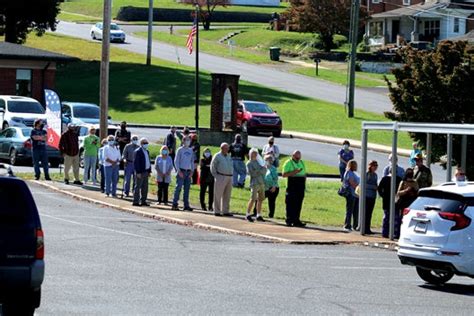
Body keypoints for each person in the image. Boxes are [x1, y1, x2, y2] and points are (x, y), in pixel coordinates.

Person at [282, 150, 307, 227]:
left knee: (298, 204)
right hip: (291, 186)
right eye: (296, 158)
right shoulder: (288, 163)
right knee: (290, 204)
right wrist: (294, 172)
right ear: (293, 156)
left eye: (299, 158)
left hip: (300, 186)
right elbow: (284, 174)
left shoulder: (301, 162)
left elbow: (304, 174)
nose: (298, 159)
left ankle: (296, 220)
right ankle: (289, 220)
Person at [210, 143, 234, 217]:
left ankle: (225, 211)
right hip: (221, 176)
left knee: (227, 195)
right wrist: (216, 176)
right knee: (218, 194)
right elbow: (212, 166)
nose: (227, 150)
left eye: (228, 148)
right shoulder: (217, 156)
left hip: (229, 177)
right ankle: (216, 211)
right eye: (226, 148)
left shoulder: (228, 156)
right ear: (222, 148)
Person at [172, 136, 195, 211]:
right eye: (186, 140)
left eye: (189, 140)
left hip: (188, 172)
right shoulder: (180, 150)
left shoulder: (191, 150)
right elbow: (176, 161)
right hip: (181, 171)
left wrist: (192, 171)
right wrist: (178, 171)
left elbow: (192, 161)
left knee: (187, 189)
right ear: (183, 141)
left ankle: (186, 205)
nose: (188, 142)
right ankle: (175, 204)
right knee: (178, 187)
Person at [378, 168, 402, 238]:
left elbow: (379, 189)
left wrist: (383, 196)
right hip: (394, 201)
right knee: (395, 218)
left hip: (387, 201)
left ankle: (385, 232)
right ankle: (395, 233)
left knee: (386, 217)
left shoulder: (385, 179)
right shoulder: (398, 179)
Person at [396, 168, 419, 238]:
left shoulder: (415, 183)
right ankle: (398, 234)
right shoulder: (403, 182)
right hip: (403, 202)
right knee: (401, 219)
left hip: (411, 203)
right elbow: (398, 193)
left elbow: (418, 192)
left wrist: (413, 191)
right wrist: (406, 190)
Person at [246, 148, 267, 222]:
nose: (254, 155)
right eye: (252, 153)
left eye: (255, 153)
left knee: (260, 199)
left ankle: (258, 214)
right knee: (253, 198)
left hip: (261, 182)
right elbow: (252, 173)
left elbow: (264, 170)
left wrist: (258, 171)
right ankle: (248, 214)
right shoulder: (249, 163)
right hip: (254, 183)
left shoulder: (259, 162)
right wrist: (259, 171)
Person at [133, 138, 152, 206]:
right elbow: (136, 163)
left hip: (146, 171)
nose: (146, 144)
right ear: (141, 144)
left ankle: (143, 201)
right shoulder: (138, 151)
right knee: (138, 187)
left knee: (145, 187)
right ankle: (136, 201)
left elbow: (148, 161)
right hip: (140, 172)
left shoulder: (147, 151)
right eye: (144, 143)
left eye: (146, 143)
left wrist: (149, 171)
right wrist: (138, 172)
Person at [342, 160, 359, 232]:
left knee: (356, 211)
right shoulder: (349, 173)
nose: (356, 167)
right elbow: (352, 183)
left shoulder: (353, 173)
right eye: (355, 165)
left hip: (355, 194)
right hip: (351, 194)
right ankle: (347, 225)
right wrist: (359, 188)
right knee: (350, 210)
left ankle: (355, 225)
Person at [363, 160, 378, 235]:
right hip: (367, 195)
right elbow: (364, 184)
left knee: (370, 213)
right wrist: (373, 187)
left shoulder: (375, 175)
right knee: (365, 212)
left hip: (373, 196)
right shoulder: (366, 174)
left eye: (376, 166)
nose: (375, 167)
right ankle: (364, 228)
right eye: (374, 166)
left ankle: (368, 228)